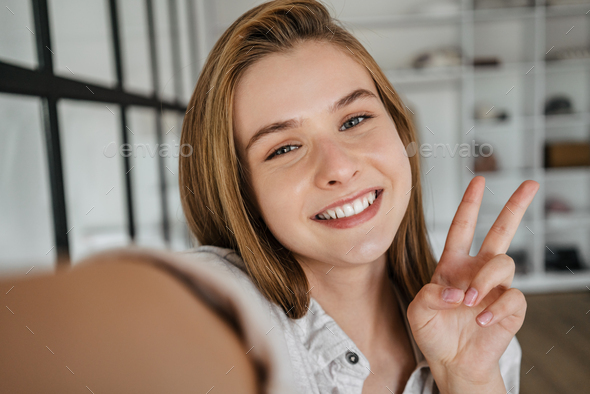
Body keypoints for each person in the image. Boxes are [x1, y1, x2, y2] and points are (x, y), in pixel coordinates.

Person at [177, 0, 539, 393]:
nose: (338, 168)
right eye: (283, 148)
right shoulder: (218, 316)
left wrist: (468, 378)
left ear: (400, 131)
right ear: (240, 190)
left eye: (354, 120)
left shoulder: (485, 334)